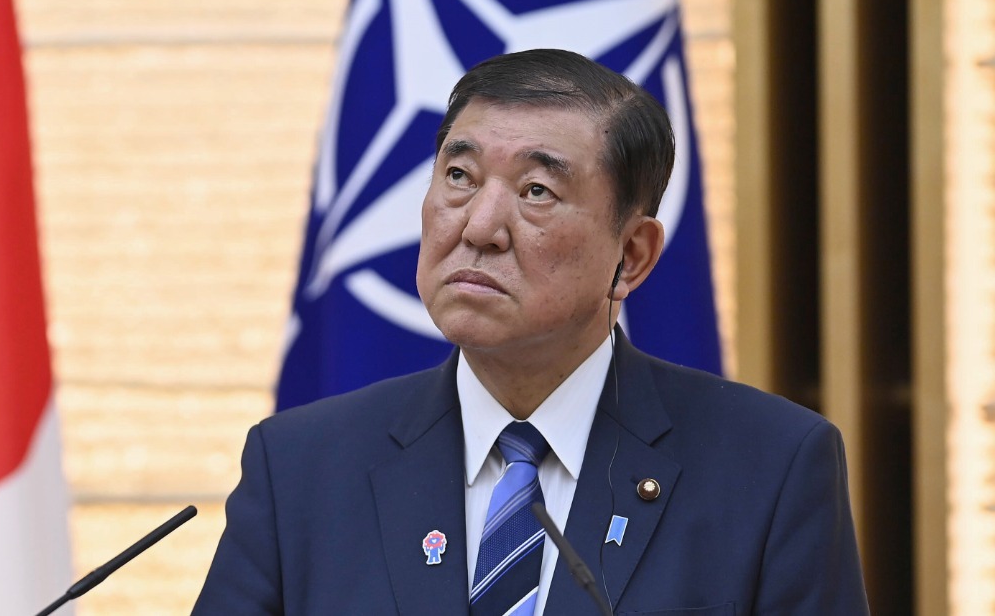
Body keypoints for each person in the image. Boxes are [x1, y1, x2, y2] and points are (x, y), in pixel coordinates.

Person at [193, 48, 868, 615]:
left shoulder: (771, 468)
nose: (480, 227)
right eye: (459, 176)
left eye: (536, 191)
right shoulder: (300, 468)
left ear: (631, 255)